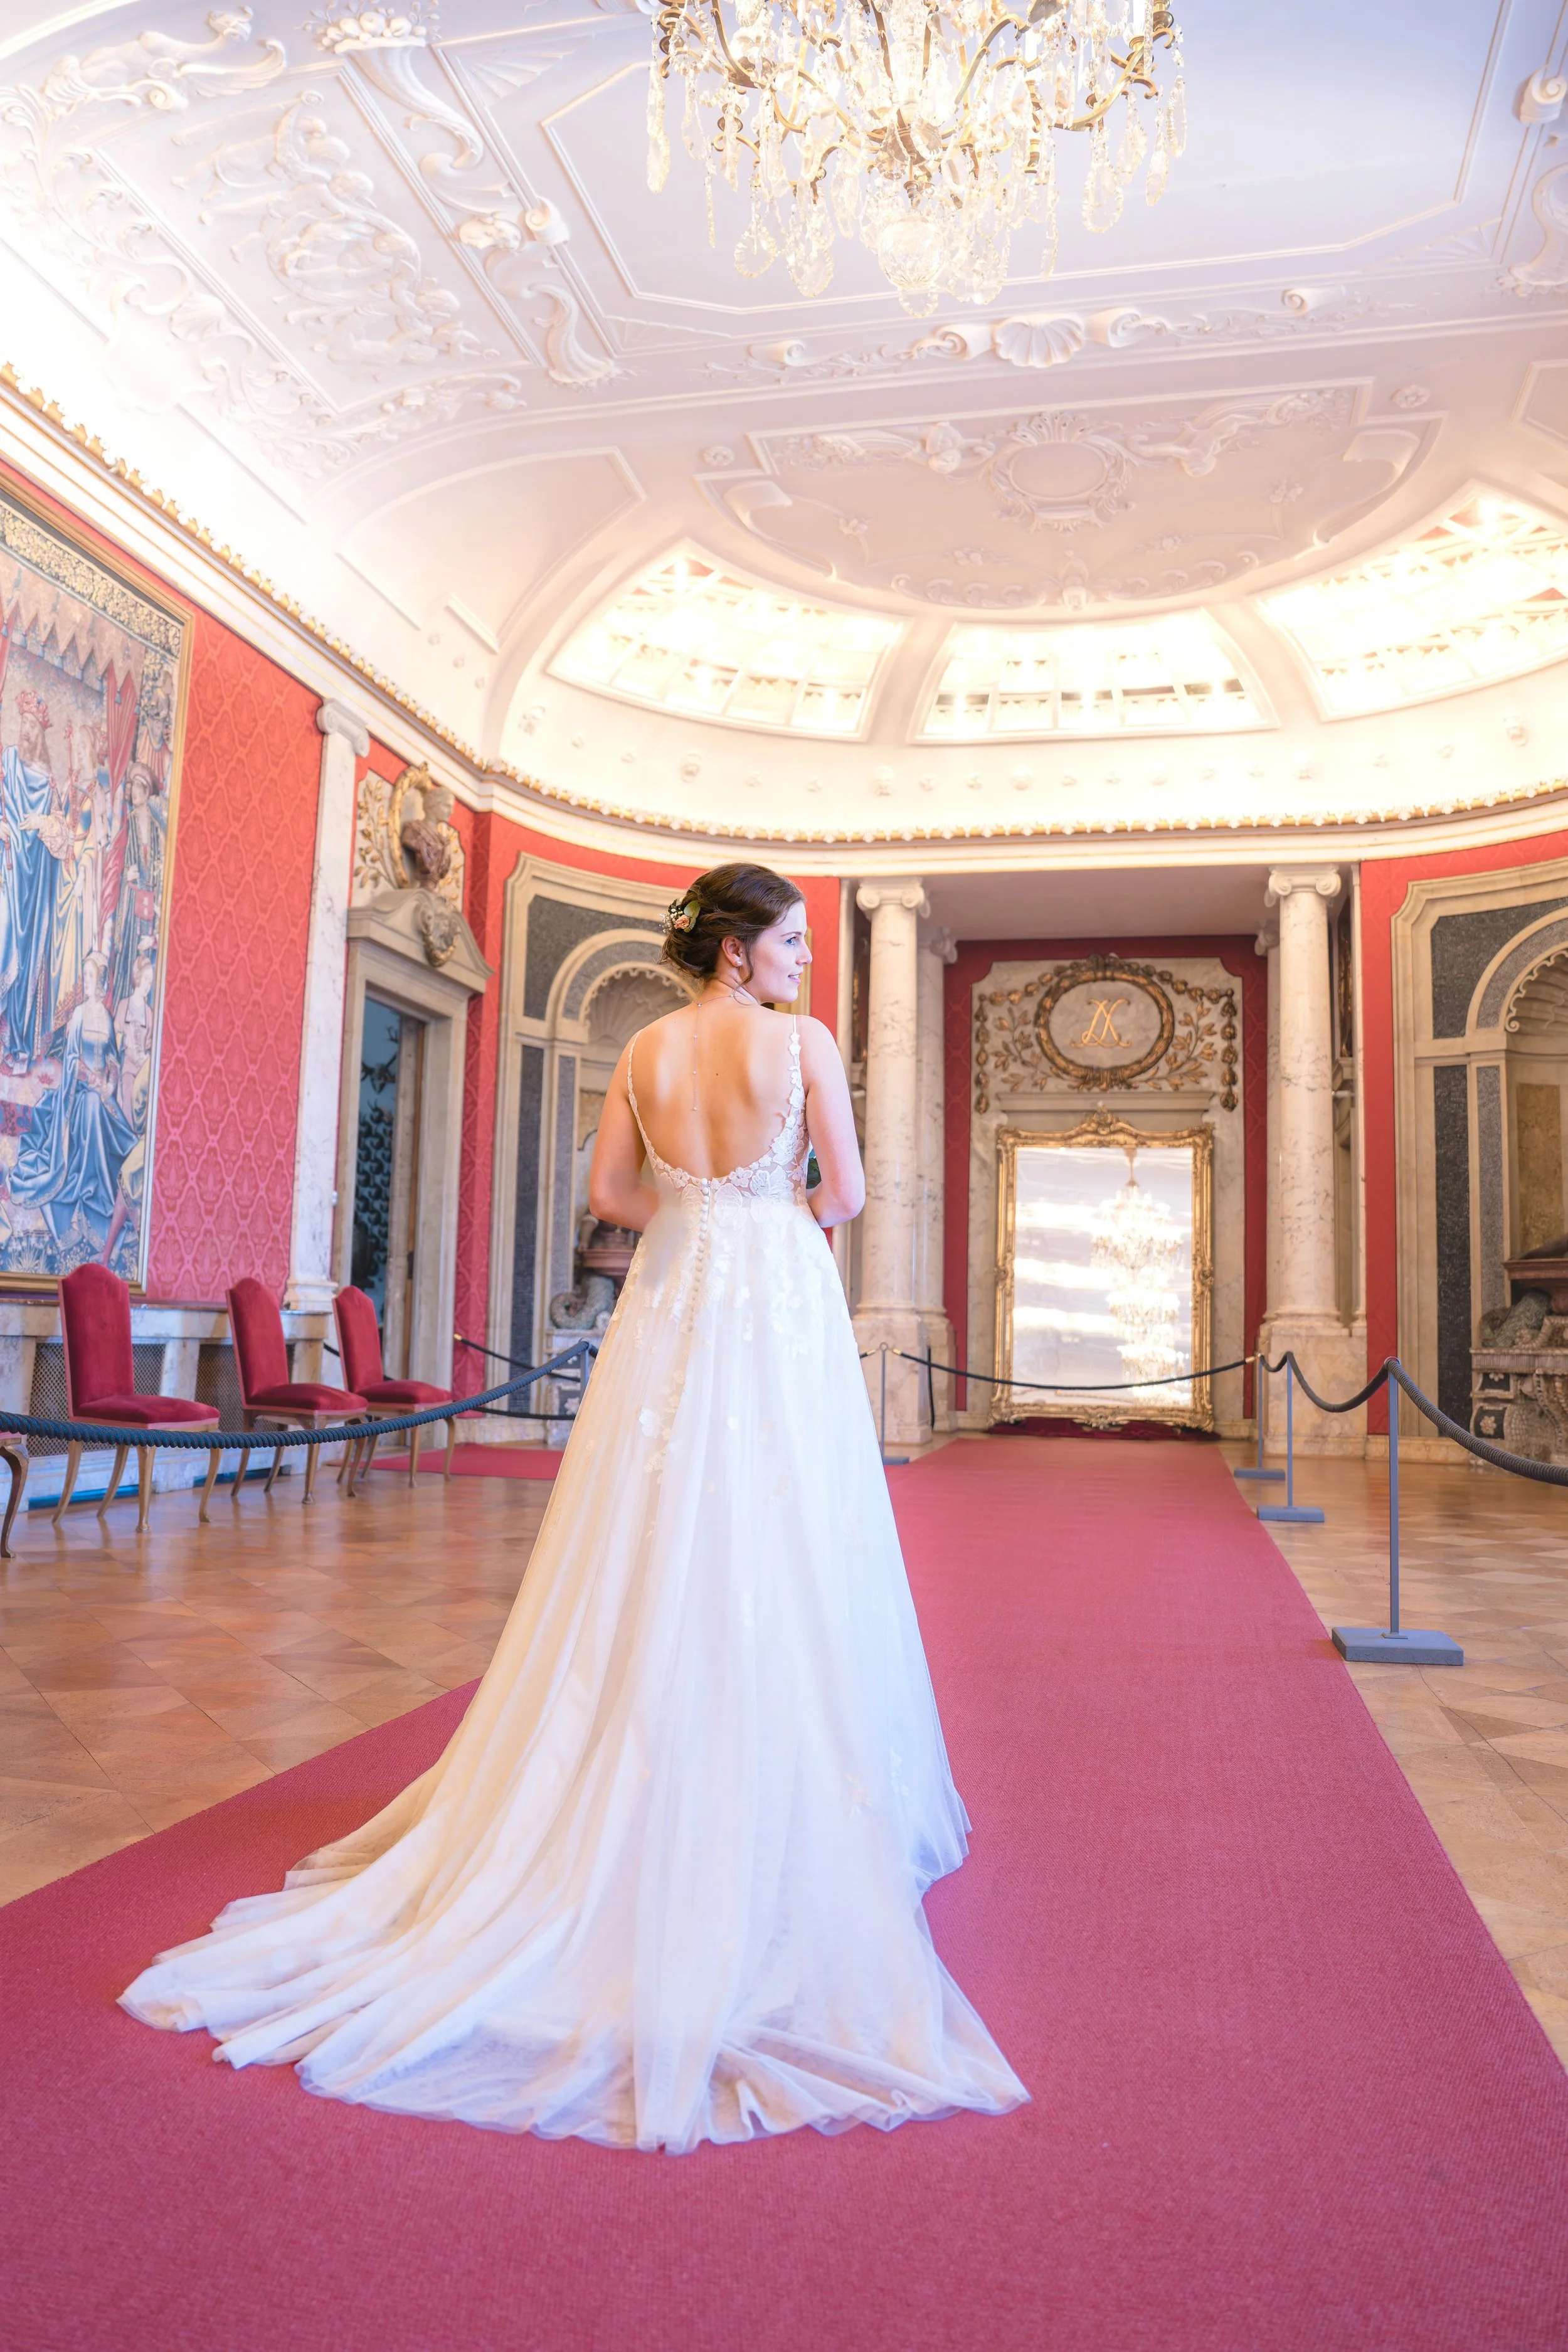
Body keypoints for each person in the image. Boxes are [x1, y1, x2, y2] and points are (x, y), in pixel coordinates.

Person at [119, 864, 1026, 2153]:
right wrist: (763, 1212)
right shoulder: (803, 1044)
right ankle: (771, 1770)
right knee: (786, 1525)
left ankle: (620, 1759)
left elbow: (610, 1198)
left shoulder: (649, 1047)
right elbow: (850, 1198)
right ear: (733, 950)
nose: (800, 961)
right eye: (785, 940)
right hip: (771, 1284)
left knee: (646, 1529)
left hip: (677, 1284)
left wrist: (696, 1214)